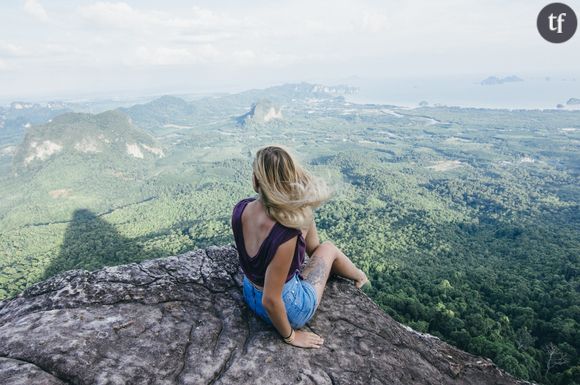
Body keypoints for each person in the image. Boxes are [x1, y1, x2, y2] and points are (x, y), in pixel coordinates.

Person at [231, 145, 369, 349]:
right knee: (328, 248)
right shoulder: (285, 233)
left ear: (256, 180)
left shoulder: (241, 209)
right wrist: (291, 336)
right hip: (286, 310)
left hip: (249, 292)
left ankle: (356, 274)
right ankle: (359, 276)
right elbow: (271, 299)